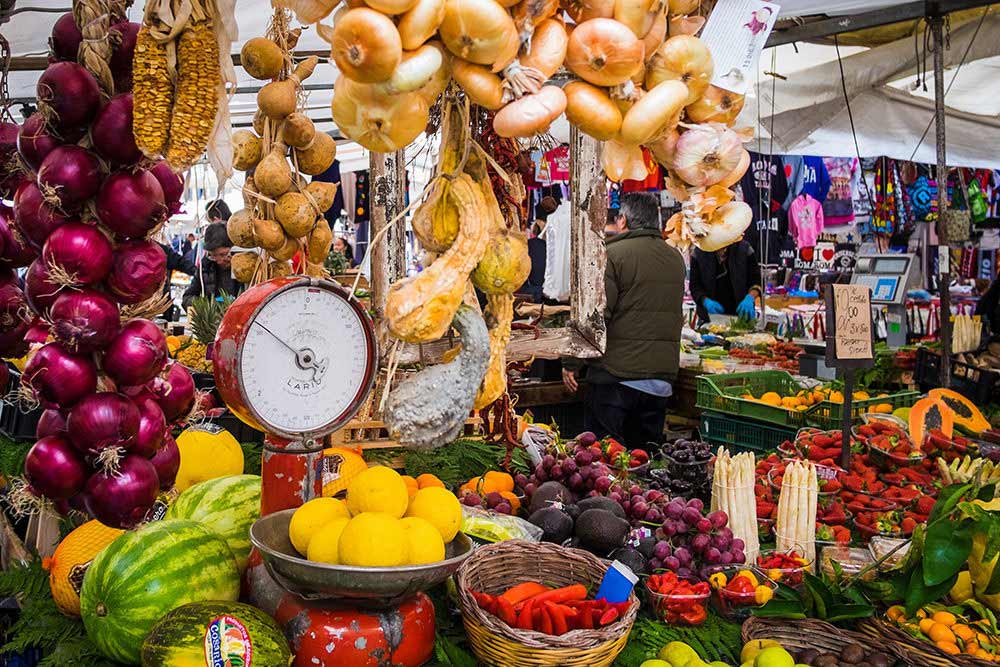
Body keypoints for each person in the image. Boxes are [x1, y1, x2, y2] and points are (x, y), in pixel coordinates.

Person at [561, 192, 686, 449]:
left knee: (605, 465)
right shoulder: (675, 259)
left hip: (615, 379)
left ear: (623, 221)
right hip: (659, 382)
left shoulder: (612, 255)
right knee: (646, 464)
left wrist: (572, 363)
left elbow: (596, 317)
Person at [689, 241, 762, 325]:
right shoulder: (699, 252)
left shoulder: (745, 249)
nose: (722, 252)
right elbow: (695, 286)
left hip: (741, 317)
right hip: (709, 319)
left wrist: (750, 297)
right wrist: (705, 301)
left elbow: (756, 280)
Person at [182, 223, 244, 309]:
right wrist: (207, 305)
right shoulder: (205, 267)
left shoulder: (245, 267)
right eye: (214, 256)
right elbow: (187, 298)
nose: (219, 261)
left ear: (234, 248)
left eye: (223, 254)